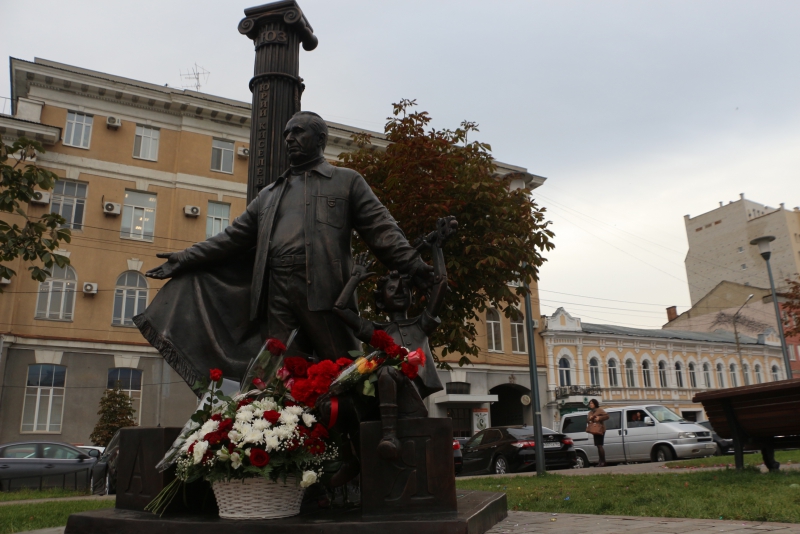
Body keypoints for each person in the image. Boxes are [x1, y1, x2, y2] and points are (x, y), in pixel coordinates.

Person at [145, 111, 434, 365]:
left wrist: (414, 265)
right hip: (276, 292)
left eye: (298, 131)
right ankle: (285, 428)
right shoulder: (269, 194)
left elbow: (381, 229)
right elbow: (231, 238)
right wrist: (186, 257)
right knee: (282, 373)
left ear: (320, 139)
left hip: (326, 290)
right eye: (286, 134)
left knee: (345, 366)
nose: (289, 138)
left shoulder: (346, 181)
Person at [587, 399, 609, 467]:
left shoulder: (599, 410)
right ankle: (600, 461)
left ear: (595, 404)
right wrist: (590, 419)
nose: (590, 404)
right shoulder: (590, 412)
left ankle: (603, 461)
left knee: (600, 445)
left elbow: (607, 416)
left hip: (600, 429)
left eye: (592, 403)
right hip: (594, 430)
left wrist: (599, 418)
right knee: (597, 445)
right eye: (590, 403)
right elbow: (587, 420)